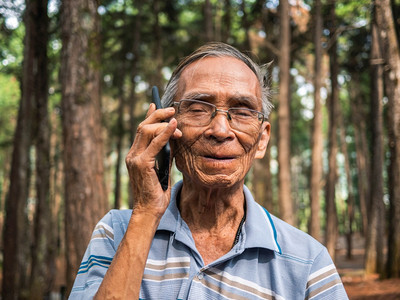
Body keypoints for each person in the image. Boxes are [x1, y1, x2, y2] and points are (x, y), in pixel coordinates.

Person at [69, 42, 348, 299]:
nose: (220, 130)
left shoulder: (308, 263)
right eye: (199, 109)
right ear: (167, 130)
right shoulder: (116, 232)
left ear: (262, 139)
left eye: (242, 111)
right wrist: (145, 214)